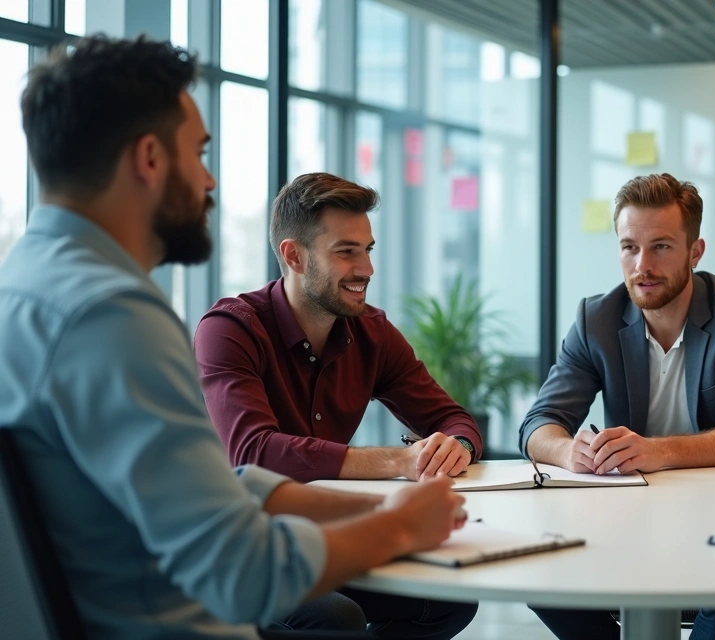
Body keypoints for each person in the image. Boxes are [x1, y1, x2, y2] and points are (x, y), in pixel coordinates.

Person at [0, 35, 471, 639]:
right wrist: (399, 526)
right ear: (149, 159)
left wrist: (381, 504)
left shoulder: (27, 287)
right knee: (345, 619)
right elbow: (241, 570)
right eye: (199, 153)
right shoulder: (110, 316)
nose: (209, 180)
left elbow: (214, 488)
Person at [193, 172, 482, 635]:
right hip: (238, 545)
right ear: (294, 255)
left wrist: (456, 447)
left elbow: (454, 419)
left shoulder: (372, 332)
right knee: (333, 618)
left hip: (326, 531)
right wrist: (399, 461)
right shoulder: (230, 330)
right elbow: (255, 453)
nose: (366, 269)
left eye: (368, 249)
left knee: (447, 599)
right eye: (346, 251)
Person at [521, 173, 715, 640]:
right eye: (630, 247)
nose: (642, 265)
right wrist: (567, 451)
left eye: (661, 247)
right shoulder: (596, 319)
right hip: (628, 520)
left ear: (695, 252)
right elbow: (539, 423)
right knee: (535, 568)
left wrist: (658, 451)